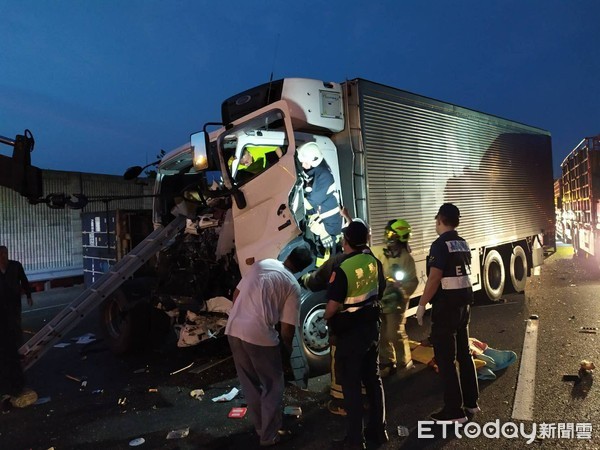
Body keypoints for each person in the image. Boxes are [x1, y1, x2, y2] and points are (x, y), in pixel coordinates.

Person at [225, 246, 312, 447]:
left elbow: (236, 294)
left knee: (250, 383)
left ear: (288, 256)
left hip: (234, 328)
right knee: (273, 385)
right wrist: (286, 353)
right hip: (259, 335)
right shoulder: (292, 285)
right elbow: (287, 330)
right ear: (301, 269)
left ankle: (260, 428)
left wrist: (240, 315)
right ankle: (270, 436)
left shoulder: (263, 263)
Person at [324, 221, 388, 450]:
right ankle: (378, 432)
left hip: (350, 334)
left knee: (351, 386)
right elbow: (381, 290)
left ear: (347, 241)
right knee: (373, 379)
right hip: (371, 328)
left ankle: (355, 440)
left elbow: (333, 305)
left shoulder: (343, 267)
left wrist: (325, 316)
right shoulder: (374, 262)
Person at [415, 203, 480, 423]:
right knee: (464, 354)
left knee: (446, 359)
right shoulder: (462, 243)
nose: (436, 224)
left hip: (446, 308)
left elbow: (434, 278)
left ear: (441, 220)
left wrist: (422, 305)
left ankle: (454, 411)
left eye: (436, 220)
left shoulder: (440, 245)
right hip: (464, 306)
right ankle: (471, 403)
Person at [379, 219, 418, 377]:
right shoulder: (382, 253)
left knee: (394, 333)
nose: (388, 237)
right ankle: (387, 362)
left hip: (396, 302)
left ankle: (405, 361)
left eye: (391, 234)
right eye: (387, 233)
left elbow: (412, 282)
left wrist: (401, 292)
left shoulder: (406, 259)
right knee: (381, 333)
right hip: (381, 300)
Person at [0, 245, 37, 409]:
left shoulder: (15, 266)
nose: (4, 257)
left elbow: (23, 279)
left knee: (14, 326)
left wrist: (28, 294)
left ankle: (17, 345)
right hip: (2, 305)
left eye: (5, 254)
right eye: (1, 254)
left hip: (13, 303)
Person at [297, 142, 342, 251]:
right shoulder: (318, 170)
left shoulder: (323, 175)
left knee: (326, 256)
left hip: (328, 227)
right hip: (322, 222)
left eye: (305, 162)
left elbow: (309, 203)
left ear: (314, 159)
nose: (303, 165)